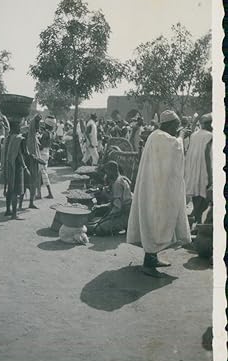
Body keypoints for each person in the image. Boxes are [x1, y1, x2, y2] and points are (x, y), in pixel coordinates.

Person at [127, 110, 191, 277]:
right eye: (176, 126)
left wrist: (179, 136)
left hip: (156, 187)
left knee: (156, 221)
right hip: (155, 190)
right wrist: (182, 136)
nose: (177, 129)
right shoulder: (161, 137)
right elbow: (176, 149)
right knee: (155, 221)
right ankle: (148, 264)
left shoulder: (157, 136)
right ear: (168, 125)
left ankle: (152, 258)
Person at [87, 160, 132, 236]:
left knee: (98, 229)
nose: (106, 174)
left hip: (124, 214)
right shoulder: (121, 179)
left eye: (107, 172)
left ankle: (122, 225)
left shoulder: (117, 184)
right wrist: (101, 207)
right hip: (125, 212)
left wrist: (107, 218)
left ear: (111, 171)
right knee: (98, 222)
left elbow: (117, 208)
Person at [184, 113, 213, 225]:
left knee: (197, 197)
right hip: (204, 170)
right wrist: (210, 176)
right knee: (205, 198)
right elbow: (208, 157)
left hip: (194, 170)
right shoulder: (210, 136)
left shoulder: (194, 135)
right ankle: (197, 221)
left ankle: (196, 219)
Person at [3, 120, 29, 219]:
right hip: (17, 168)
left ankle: (7, 210)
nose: (20, 128)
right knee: (15, 191)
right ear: (16, 128)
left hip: (8, 166)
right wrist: (25, 167)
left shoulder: (7, 138)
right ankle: (14, 214)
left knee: (10, 188)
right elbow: (20, 155)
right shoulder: (18, 139)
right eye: (18, 127)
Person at [26, 114, 43, 207]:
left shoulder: (34, 138)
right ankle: (30, 202)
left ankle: (32, 201)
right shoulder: (31, 139)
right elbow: (31, 154)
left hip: (34, 164)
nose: (38, 129)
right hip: (31, 164)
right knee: (32, 181)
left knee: (36, 179)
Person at [39, 116, 56, 199]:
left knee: (43, 173)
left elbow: (41, 146)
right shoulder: (51, 133)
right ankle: (39, 193)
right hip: (47, 152)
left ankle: (50, 193)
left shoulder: (45, 134)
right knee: (42, 172)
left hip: (42, 153)